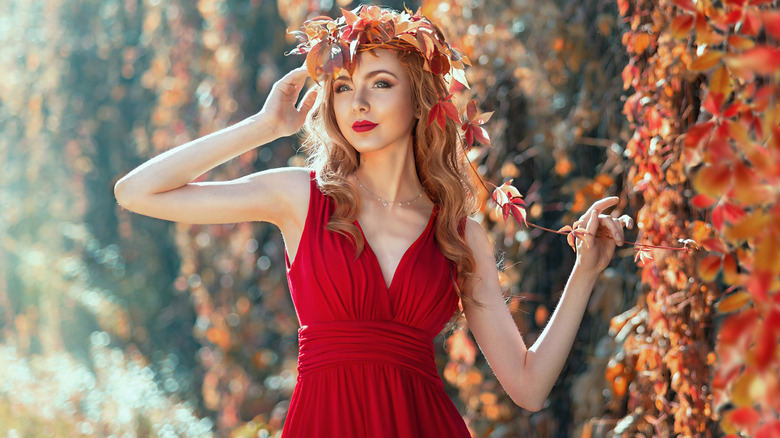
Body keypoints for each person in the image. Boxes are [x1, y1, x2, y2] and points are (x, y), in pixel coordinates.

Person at [114, 5, 632, 437]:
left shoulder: (458, 235)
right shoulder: (299, 196)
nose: (357, 101)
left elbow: (528, 385)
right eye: (341, 87)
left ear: (420, 100)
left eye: (380, 83)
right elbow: (137, 191)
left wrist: (585, 271)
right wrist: (264, 125)